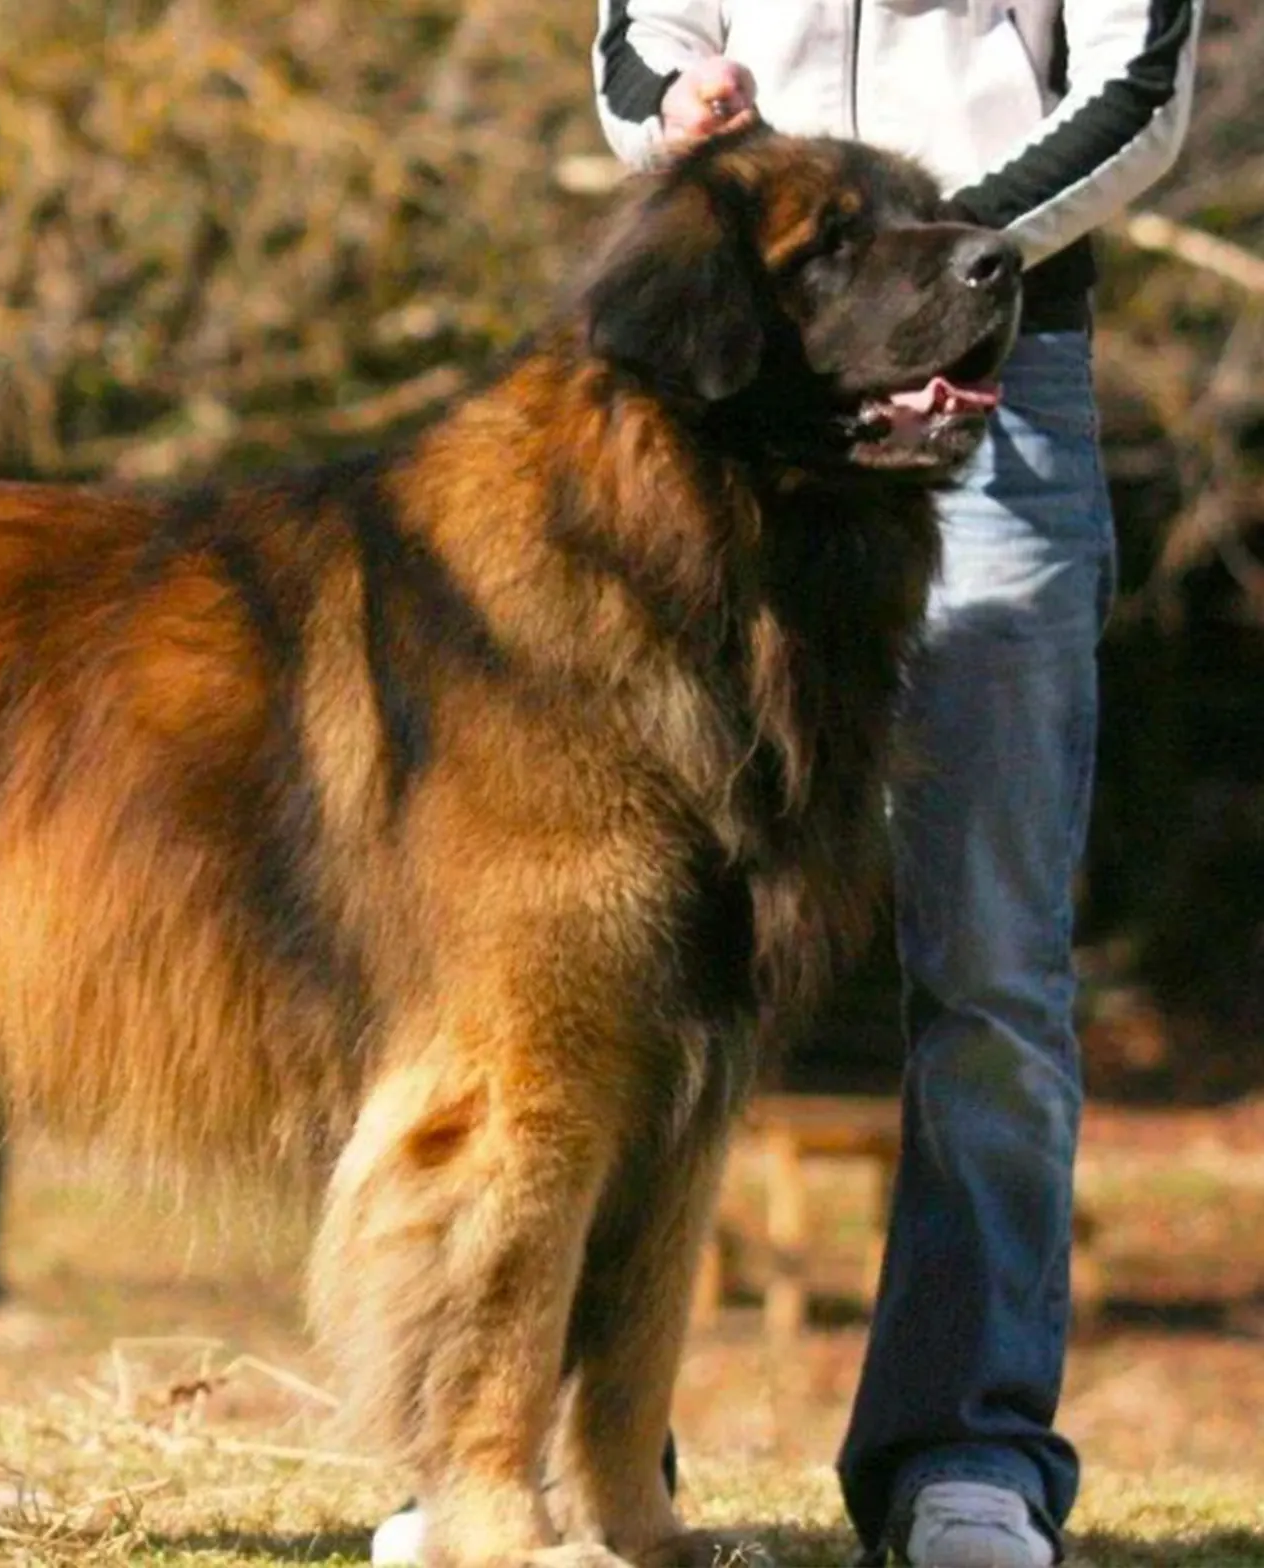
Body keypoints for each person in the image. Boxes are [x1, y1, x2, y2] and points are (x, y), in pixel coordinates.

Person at [373, 3, 1199, 1565]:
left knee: (994, 976)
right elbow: (637, 42)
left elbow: (1138, 91)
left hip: (986, 387)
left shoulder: (948, 262)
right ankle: (535, 1466)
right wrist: (691, 113)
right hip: (725, 400)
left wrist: (932, 258)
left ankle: (968, 1462)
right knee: (580, 988)